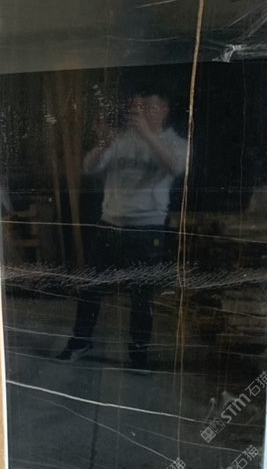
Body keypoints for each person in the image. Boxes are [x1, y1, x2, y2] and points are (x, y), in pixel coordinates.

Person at [56, 88, 188, 370]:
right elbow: (89, 166)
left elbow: (175, 167)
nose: (140, 114)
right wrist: (104, 143)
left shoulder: (175, 142)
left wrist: (146, 135)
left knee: (141, 295)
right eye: (136, 108)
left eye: (147, 108)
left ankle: (138, 353)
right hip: (110, 224)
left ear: (164, 110)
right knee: (91, 289)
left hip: (147, 229)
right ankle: (80, 341)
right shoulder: (120, 140)